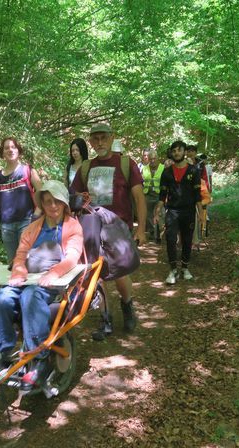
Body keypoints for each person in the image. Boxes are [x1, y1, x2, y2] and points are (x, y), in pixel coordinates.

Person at [0, 180, 84, 390]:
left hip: (55, 282)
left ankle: (38, 361)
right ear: (41, 205)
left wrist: (54, 273)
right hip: (28, 278)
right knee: (2, 299)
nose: (52, 206)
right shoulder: (33, 228)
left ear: (64, 203)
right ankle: (0, 355)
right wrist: (18, 271)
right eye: (47, 202)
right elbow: (20, 255)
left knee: (30, 296)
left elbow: (72, 258)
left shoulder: (72, 226)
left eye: (57, 201)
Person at [70, 123, 146, 340]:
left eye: (104, 138)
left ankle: (127, 305)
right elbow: (74, 196)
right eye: (96, 139)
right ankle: (105, 319)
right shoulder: (85, 167)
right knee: (96, 274)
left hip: (118, 228)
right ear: (91, 142)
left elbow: (139, 197)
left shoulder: (125, 163)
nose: (100, 142)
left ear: (111, 138)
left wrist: (141, 229)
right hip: (92, 226)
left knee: (121, 273)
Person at [153, 140, 204, 285]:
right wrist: (157, 212)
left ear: (184, 152)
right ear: (172, 153)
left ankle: (185, 268)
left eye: (179, 150)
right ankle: (173, 269)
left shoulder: (193, 170)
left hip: (188, 211)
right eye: (174, 151)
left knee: (187, 240)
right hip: (173, 211)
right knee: (170, 239)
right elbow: (162, 196)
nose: (176, 153)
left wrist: (200, 213)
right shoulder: (167, 172)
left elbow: (197, 194)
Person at [0, 137, 43, 263]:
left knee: (27, 260)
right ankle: (14, 283)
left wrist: (36, 215)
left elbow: (42, 193)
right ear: (2, 153)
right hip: (6, 226)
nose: (10, 150)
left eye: (13, 147)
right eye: (6, 148)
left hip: (26, 222)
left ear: (18, 151)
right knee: (12, 262)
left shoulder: (28, 171)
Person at [139, 148, 164, 243]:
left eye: (154, 159)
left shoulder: (163, 168)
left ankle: (160, 233)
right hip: (147, 195)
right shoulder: (144, 169)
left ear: (158, 159)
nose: (152, 161)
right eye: (151, 159)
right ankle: (153, 233)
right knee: (148, 215)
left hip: (159, 195)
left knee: (160, 215)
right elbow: (140, 182)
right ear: (148, 159)